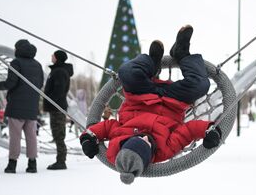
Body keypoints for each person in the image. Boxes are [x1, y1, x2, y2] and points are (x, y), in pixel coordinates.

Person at [79, 25, 222, 184]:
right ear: (150, 155)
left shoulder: (117, 137)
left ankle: (152, 63)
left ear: (126, 141)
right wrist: (208, 130)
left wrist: (88, 138)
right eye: (147, 144)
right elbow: (186, 131)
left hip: (141, 95)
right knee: (200, 85)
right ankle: (181, 53)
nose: (146, 137)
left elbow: (104, 127)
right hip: (173, 101)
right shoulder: (165, 150)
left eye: (139, 138)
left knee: (127, 72)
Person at [0, 39, 44, 173]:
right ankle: (32, 164)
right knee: (31, 136)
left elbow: (11, 83)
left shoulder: (16, 63)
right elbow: (39, 85)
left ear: (19, 49)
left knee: (15, 137)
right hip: (32, 106)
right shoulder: (38, 65)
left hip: (16, 106)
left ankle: (12, 164)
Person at [43, 50, 74, 170]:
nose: (51, 56)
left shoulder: (60, 71)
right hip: (55, 106)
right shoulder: (57, 70)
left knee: (58, 135)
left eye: (53, 55)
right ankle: (60, 160)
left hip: (57, 107)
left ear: (57, 58)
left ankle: (61, 161)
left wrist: (50, 99)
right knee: (57, 134)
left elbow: (59, 90)